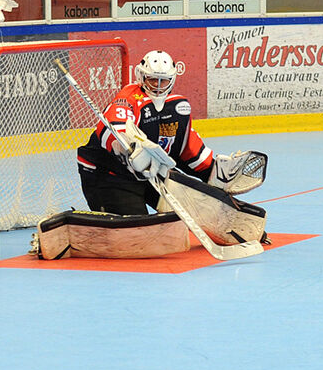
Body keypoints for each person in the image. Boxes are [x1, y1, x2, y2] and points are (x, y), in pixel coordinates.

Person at [75, 50, 270, 248]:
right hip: (109, 176)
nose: (158, 86)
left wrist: (215, 170)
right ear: (141, 77)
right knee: (137, 238)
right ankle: (82, 230)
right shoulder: (128, 97)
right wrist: (128, 147)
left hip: (152, 174)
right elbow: (112, 128)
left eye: (163, 81)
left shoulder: (177, 107)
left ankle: (238, 229)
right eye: (153, 80)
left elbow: (188, 150)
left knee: (196, 201)